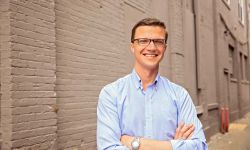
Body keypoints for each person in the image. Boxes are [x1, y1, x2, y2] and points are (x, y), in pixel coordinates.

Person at [97, 18, 207, 150]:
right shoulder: (111, 94)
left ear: (164, 48)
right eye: (143, 41)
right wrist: (174, 146)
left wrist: (135, 143)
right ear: (132, 46)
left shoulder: (180, 95)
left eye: (158, 41)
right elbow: (108, 148)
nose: (151, 47)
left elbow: (199, 146)